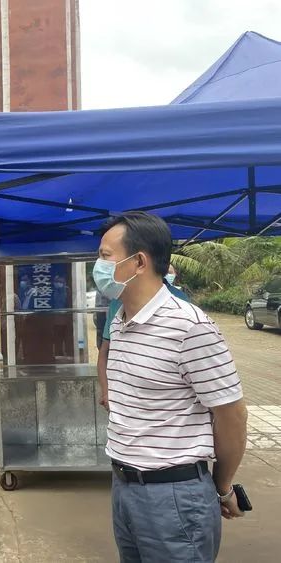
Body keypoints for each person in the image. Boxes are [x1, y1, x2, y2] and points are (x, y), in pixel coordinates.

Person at [94, 211, 247, 562]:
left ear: (139, 262)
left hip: (174, 497)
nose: (97, 267)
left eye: (105, 256)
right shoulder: (120, 321)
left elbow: (232, 416)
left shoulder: (190, 327)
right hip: (124, 486)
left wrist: (222, 486)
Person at [97, 262, 187, 410]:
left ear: (140, 263)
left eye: (106, 255)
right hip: (123, 408)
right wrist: (106, 392)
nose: (102, 265)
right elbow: (105, 353)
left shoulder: (182, 305)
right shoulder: (117, 305)